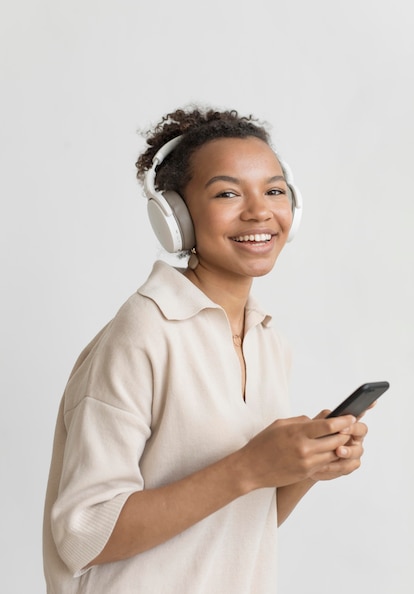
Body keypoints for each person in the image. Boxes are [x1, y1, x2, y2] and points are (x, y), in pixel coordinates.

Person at [43, 107, 369, 594]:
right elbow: (83, 534)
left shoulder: (267, 341)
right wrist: (248, 467)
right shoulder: (141, 333)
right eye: (227, 193)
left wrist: (302, 470)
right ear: (176, 216)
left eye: (274, 190)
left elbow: (233, 523)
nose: (259, 211)